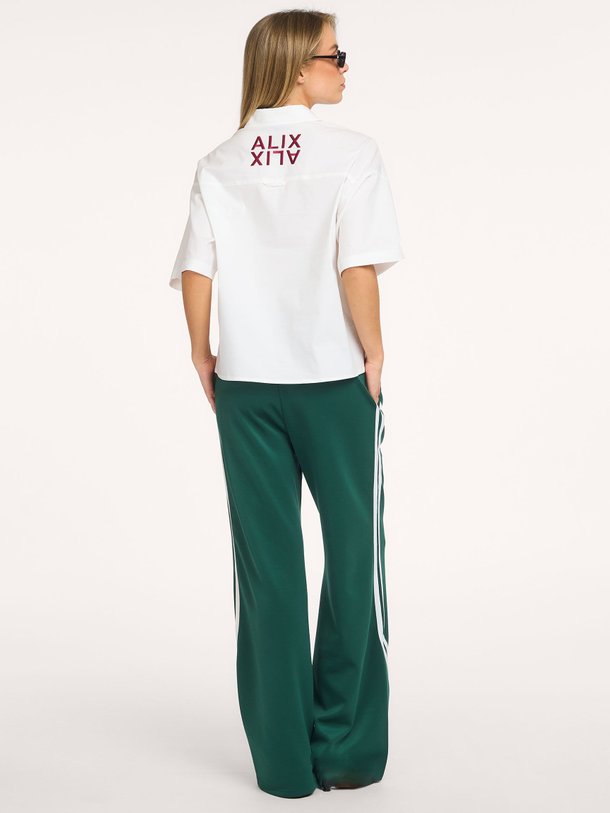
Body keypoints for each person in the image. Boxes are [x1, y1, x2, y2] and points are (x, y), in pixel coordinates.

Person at [169, 9, 404, 799]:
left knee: (267, 571)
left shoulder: (219, 161)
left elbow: (197, 269)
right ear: (301, 65)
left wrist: (202, 353)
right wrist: (375, 352)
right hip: (335, 382)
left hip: (247, 387)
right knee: (355, 557)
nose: (345, 66)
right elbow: (355, 266)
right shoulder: (352, 154)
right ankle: (345, 750)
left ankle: (282, 764)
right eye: (337, 54)